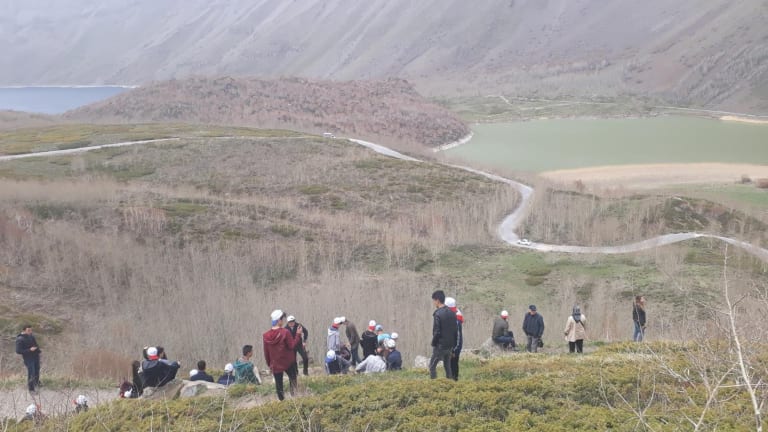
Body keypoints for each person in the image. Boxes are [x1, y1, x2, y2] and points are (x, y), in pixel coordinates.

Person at [263, 309, 303, 401]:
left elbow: (266, 352)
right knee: (293, 379)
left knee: (279, 385)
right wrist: (298, 334)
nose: (284, 321)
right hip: (288, 362)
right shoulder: (285, 332)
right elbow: (292, 345)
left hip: (275, 364)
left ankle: (282, 402)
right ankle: (294, 398)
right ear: (279, 320)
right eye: (283, 319)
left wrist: (270, 364)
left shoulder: (265, 335)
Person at [429, 290, 458, 379]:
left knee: (432, 366)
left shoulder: (438, 314)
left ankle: (433, 383)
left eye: (434, 300)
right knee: (447, 366)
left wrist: (433, 343)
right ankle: (449, 382)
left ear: (437, 300)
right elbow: (455, 331)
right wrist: (454, 345)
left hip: (440, 346)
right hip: (450, 345)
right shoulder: (452, 313)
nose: (433, 303)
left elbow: (437, 332)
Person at [15, 325, 41, 393]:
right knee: (31, 372)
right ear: (24, 330)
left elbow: (35, 344)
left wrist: (38, 350)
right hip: (28, 358)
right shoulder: (20, 339)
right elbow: (18, 351)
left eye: (31, 330)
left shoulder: (31, 336)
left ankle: (36, 383)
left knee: (37, 370)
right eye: (28, 330)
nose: (30, 331)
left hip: (35, 356)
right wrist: (29, 350)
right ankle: (31, 389)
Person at [445, 297, 463, 381]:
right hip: (450, 346)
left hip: (454, 348)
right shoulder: (454, 314)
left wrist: (454, 351)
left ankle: (454, 381)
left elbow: (458, 337)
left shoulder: (456, 319)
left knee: (453, 365)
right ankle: (450, 381)